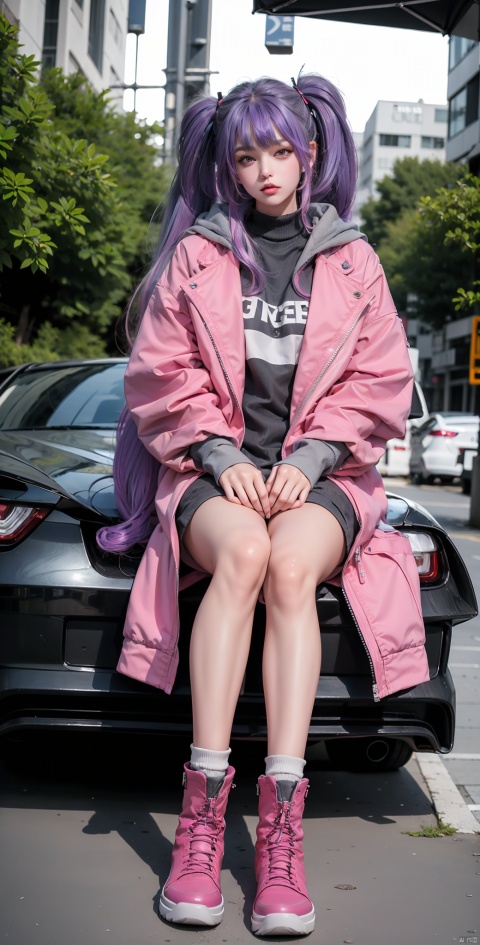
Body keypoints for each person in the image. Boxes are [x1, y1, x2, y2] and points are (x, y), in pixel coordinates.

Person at [97, 73, 429, 937]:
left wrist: (315, 454)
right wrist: (216, 451)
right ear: (227, 163)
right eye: (247, 156)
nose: (265, 170)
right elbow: (160, 376)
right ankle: (203, 822)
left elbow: (382, 381)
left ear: (311, 151)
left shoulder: (354, 259)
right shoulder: (199, 255)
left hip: (328, 475)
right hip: (215, 471)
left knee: (288, 562)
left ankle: (280, 828)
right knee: (244, 552)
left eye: (280, 151)